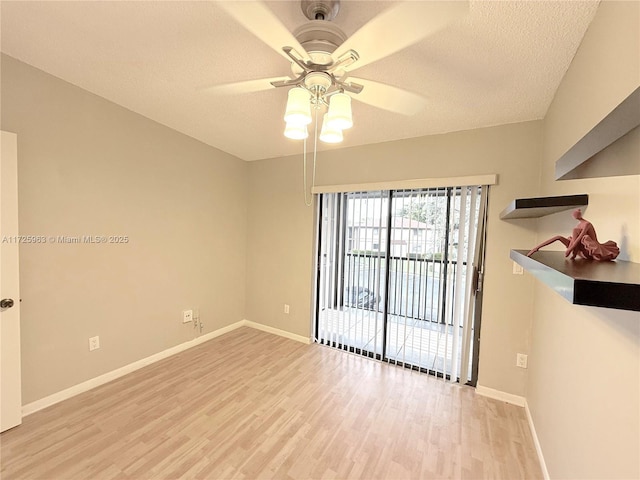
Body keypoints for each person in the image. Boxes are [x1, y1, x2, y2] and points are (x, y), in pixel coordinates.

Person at [527, 209, 619, 261]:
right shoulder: (579, 225)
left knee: (583, 236)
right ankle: (536, 248)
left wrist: (570, 249)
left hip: (590, 250)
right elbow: (576, 239)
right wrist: (536, 248)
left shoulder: (587, 224)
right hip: (580, 249)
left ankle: (574, 253)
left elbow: (580, 238)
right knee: (559, 237)